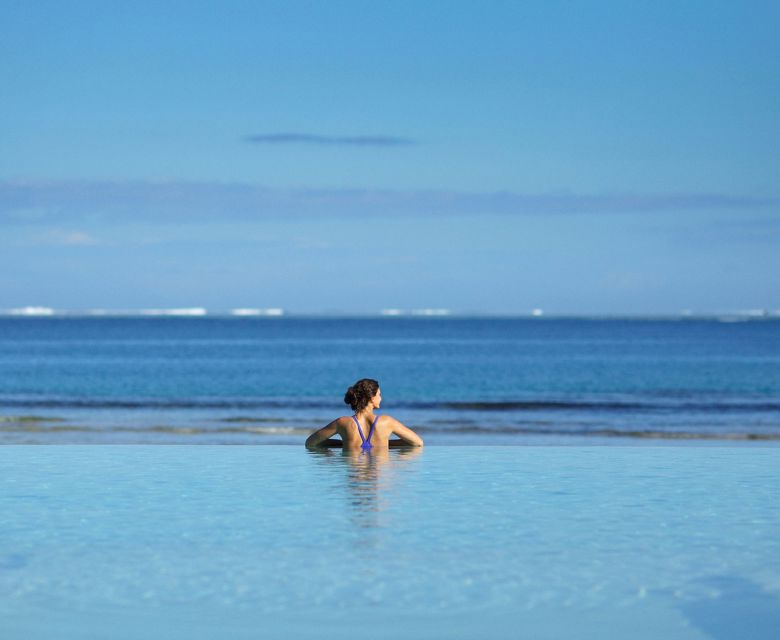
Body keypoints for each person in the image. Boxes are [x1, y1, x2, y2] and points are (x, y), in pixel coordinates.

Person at [305, 378, 424, 450]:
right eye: (379, 395)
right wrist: (384, 444)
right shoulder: (386, 422)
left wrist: (345, 444)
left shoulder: (343, 423)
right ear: (372, 398)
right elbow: (418, 443)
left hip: (355, 478)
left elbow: (310, 443)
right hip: (378, 481)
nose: (381, 398)